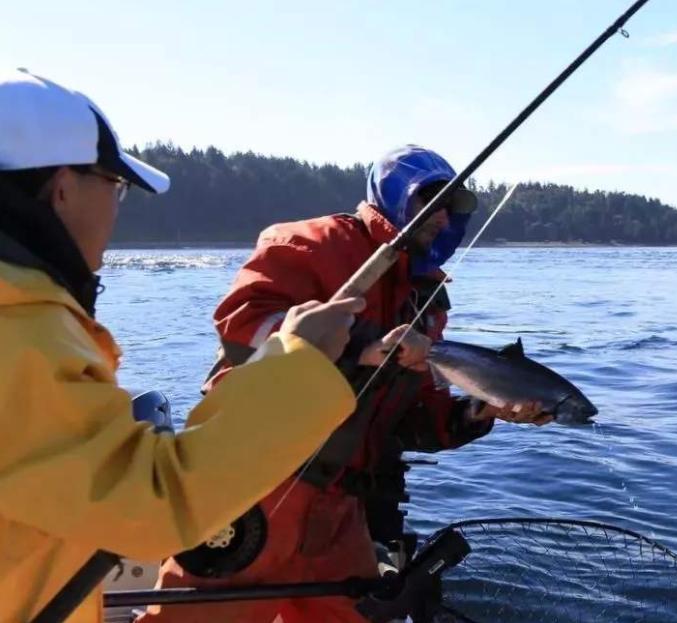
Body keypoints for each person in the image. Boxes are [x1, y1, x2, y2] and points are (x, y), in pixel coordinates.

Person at [0, 68, 364, 623]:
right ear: (63, 188)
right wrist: (301, 362)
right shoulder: (19, 329)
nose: (117, 207)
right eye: (115, 186)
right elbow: (151, 506)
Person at [143, 145, 550, 623]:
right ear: (396, 195)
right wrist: (362, 347)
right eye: (430, 200)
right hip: (255, 490)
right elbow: (242, 325)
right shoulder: (312, 243)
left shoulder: (428, 297)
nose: (442, 216)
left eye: (452, 206)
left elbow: (413, 414)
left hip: (340, 509)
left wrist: (480, 411)